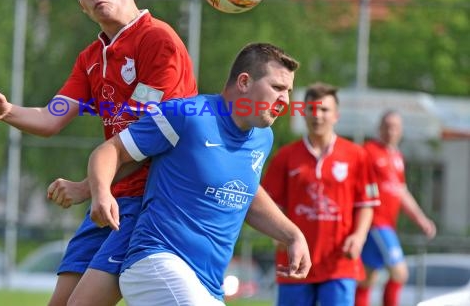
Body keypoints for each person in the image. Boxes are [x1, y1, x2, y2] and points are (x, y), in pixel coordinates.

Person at [0, 0, 197, 306]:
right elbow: (52, 116)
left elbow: (148, 141)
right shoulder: (91, 58)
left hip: (152, 198)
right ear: (81, 4)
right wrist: (7, 112)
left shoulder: (158, 41)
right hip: (112, 195)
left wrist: (88, 187)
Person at [84, 42, 311, 305]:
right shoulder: (188, 115)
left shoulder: (263, 137)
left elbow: (245, 193)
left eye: (289, 91)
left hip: (209, 284)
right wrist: (100, 194)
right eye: (277, 88)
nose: (285, 100)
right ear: (245, 82)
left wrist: (293, 235)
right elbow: (110, 151)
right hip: (157, 262)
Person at [262, 82, 381, 306]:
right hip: (294, 263)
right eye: (311, 109)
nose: (317, 115)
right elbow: (269, 203)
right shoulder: (286, 156)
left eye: (324, 110)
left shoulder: (357, 155)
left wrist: (359, 237)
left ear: (336, 115)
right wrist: (276, 234)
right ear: (303, 113)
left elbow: (366, 203)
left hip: (339, 264)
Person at [355, 110, 436, 306]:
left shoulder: (397, 157)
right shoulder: (369, 151)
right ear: (379, 128)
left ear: (401, 131)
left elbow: (401, 192)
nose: (390, 131)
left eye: (395, 127)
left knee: (368, 277)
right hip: (376, 223)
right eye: (387, 126)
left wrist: (421, 219)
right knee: (400, 272)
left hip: (388, 224)